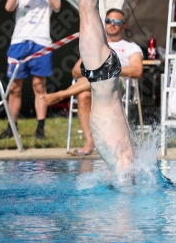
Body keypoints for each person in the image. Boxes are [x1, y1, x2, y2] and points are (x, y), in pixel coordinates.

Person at [65, 0, 133, 172]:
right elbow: (127, 165)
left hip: (101, 78)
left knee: (87, 5)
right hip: (101, 77)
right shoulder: (125, 163)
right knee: (87, 5)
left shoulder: (127, 156)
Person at [42, 8, 143, 155]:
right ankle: (89, 142)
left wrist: (109, 69)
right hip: (94, 86)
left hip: (118, 87)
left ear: (123, 25)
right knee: (83, 95)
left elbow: (137, 70)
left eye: (116, 22)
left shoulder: (131, 47)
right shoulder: (96, 46)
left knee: (102, 75)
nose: (112, 24)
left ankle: (63, 94)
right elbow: (76, 71)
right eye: (108, 21)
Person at [0, 0, 61, 140]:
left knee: (39, 85)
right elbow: (8, 8)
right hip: (19, 41)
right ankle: (11, 127)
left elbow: (57, 5)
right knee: (15, 87)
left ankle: (40, 129)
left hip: (41, 42)